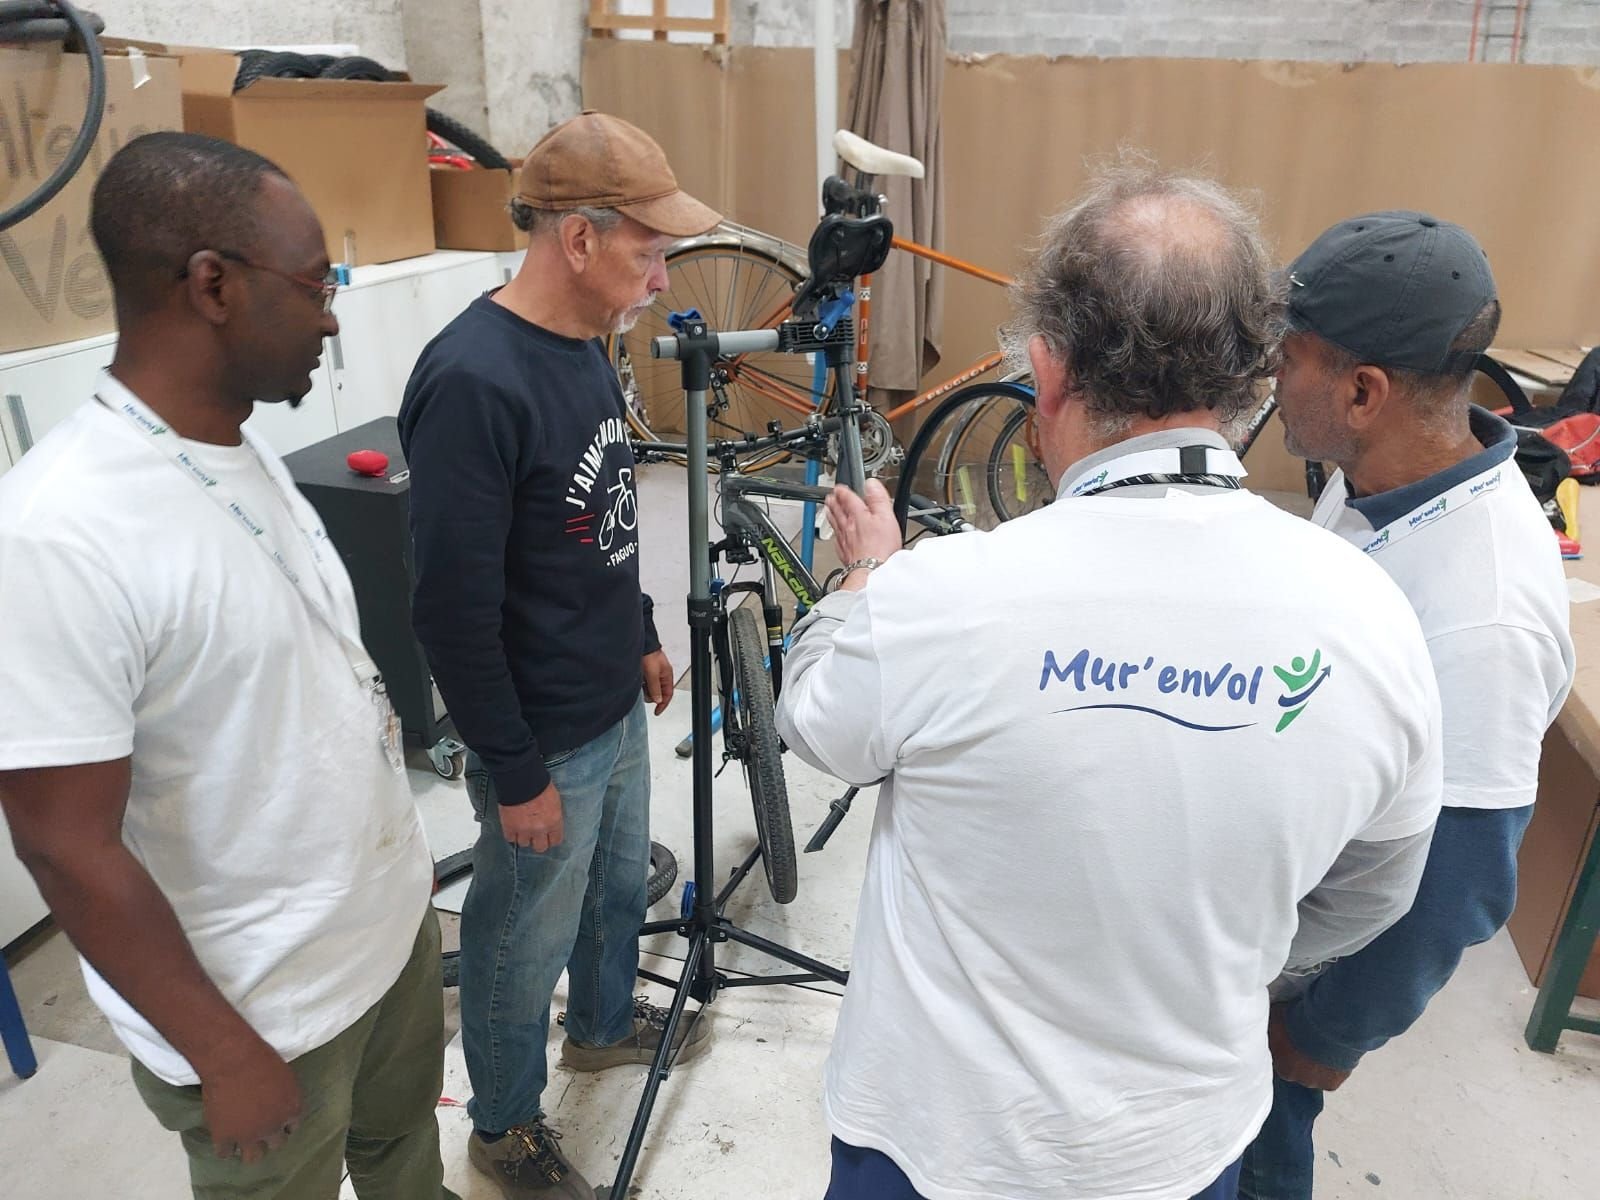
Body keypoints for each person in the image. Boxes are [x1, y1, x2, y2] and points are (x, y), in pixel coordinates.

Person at [774, 162, 1448, 1200]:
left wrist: (865, 572)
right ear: (1251, 381)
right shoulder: (1369, 619)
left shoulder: (944, 595)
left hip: (935, 1152)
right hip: (1176, 1154)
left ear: (1046, 369)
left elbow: (813, 718)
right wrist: (1217, 934)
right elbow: (1374, 887)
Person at [0, 132, 454, 1200]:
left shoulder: (232, 444)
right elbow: (65, 846)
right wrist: (224, 1054)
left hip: (377, 952)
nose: (332, 313)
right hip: (261, 1017)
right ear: (212, 285)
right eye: (313, 284)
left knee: (402, 1167)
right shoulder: (57, 532)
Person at [399, 111, 717, 1200]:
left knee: (618, 887)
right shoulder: (473, 382)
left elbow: (604, 506)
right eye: (647, 248)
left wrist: (635, 633)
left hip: (607, 704)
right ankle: (502, 1125)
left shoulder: (585, 347)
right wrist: (516, 766)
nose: (663, 273)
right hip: (540, 733)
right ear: (576, 240)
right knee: (511, 942)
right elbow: (448, 609)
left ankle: (595, 1026)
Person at [1238, 212, 1576, 1199]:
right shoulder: (1377, 479)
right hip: (1282, 890)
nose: (1271, 381)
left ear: (1361, 390)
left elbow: (1462, 882)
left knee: (1258, 1145)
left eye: (1286, 360)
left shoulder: (1483, 611)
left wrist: (1321, 1037)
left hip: (1303, 975)